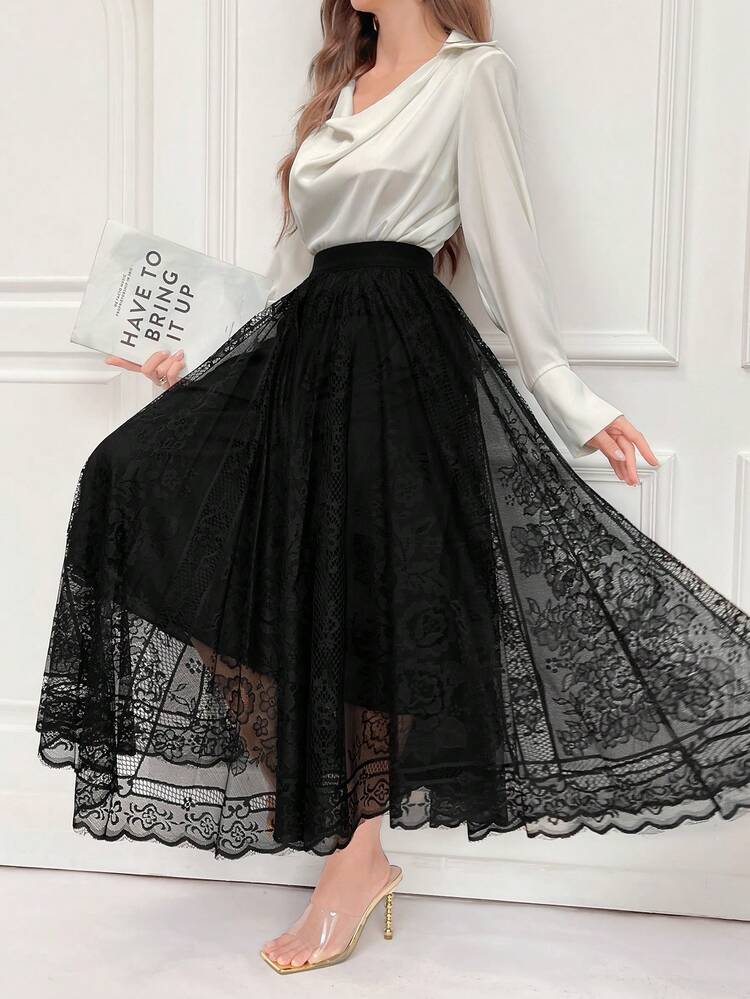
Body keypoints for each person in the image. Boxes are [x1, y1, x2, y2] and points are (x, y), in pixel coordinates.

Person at [36, 0, 750, 977]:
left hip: (399, 361)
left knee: (370, 600)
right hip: (304, 359)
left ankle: (360, 853)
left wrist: (572, 399)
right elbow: (288, 274)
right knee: (132, 482)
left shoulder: (472, 77)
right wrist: (196, 361)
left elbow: (509, 254)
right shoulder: (340, 94)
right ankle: (325, 798)